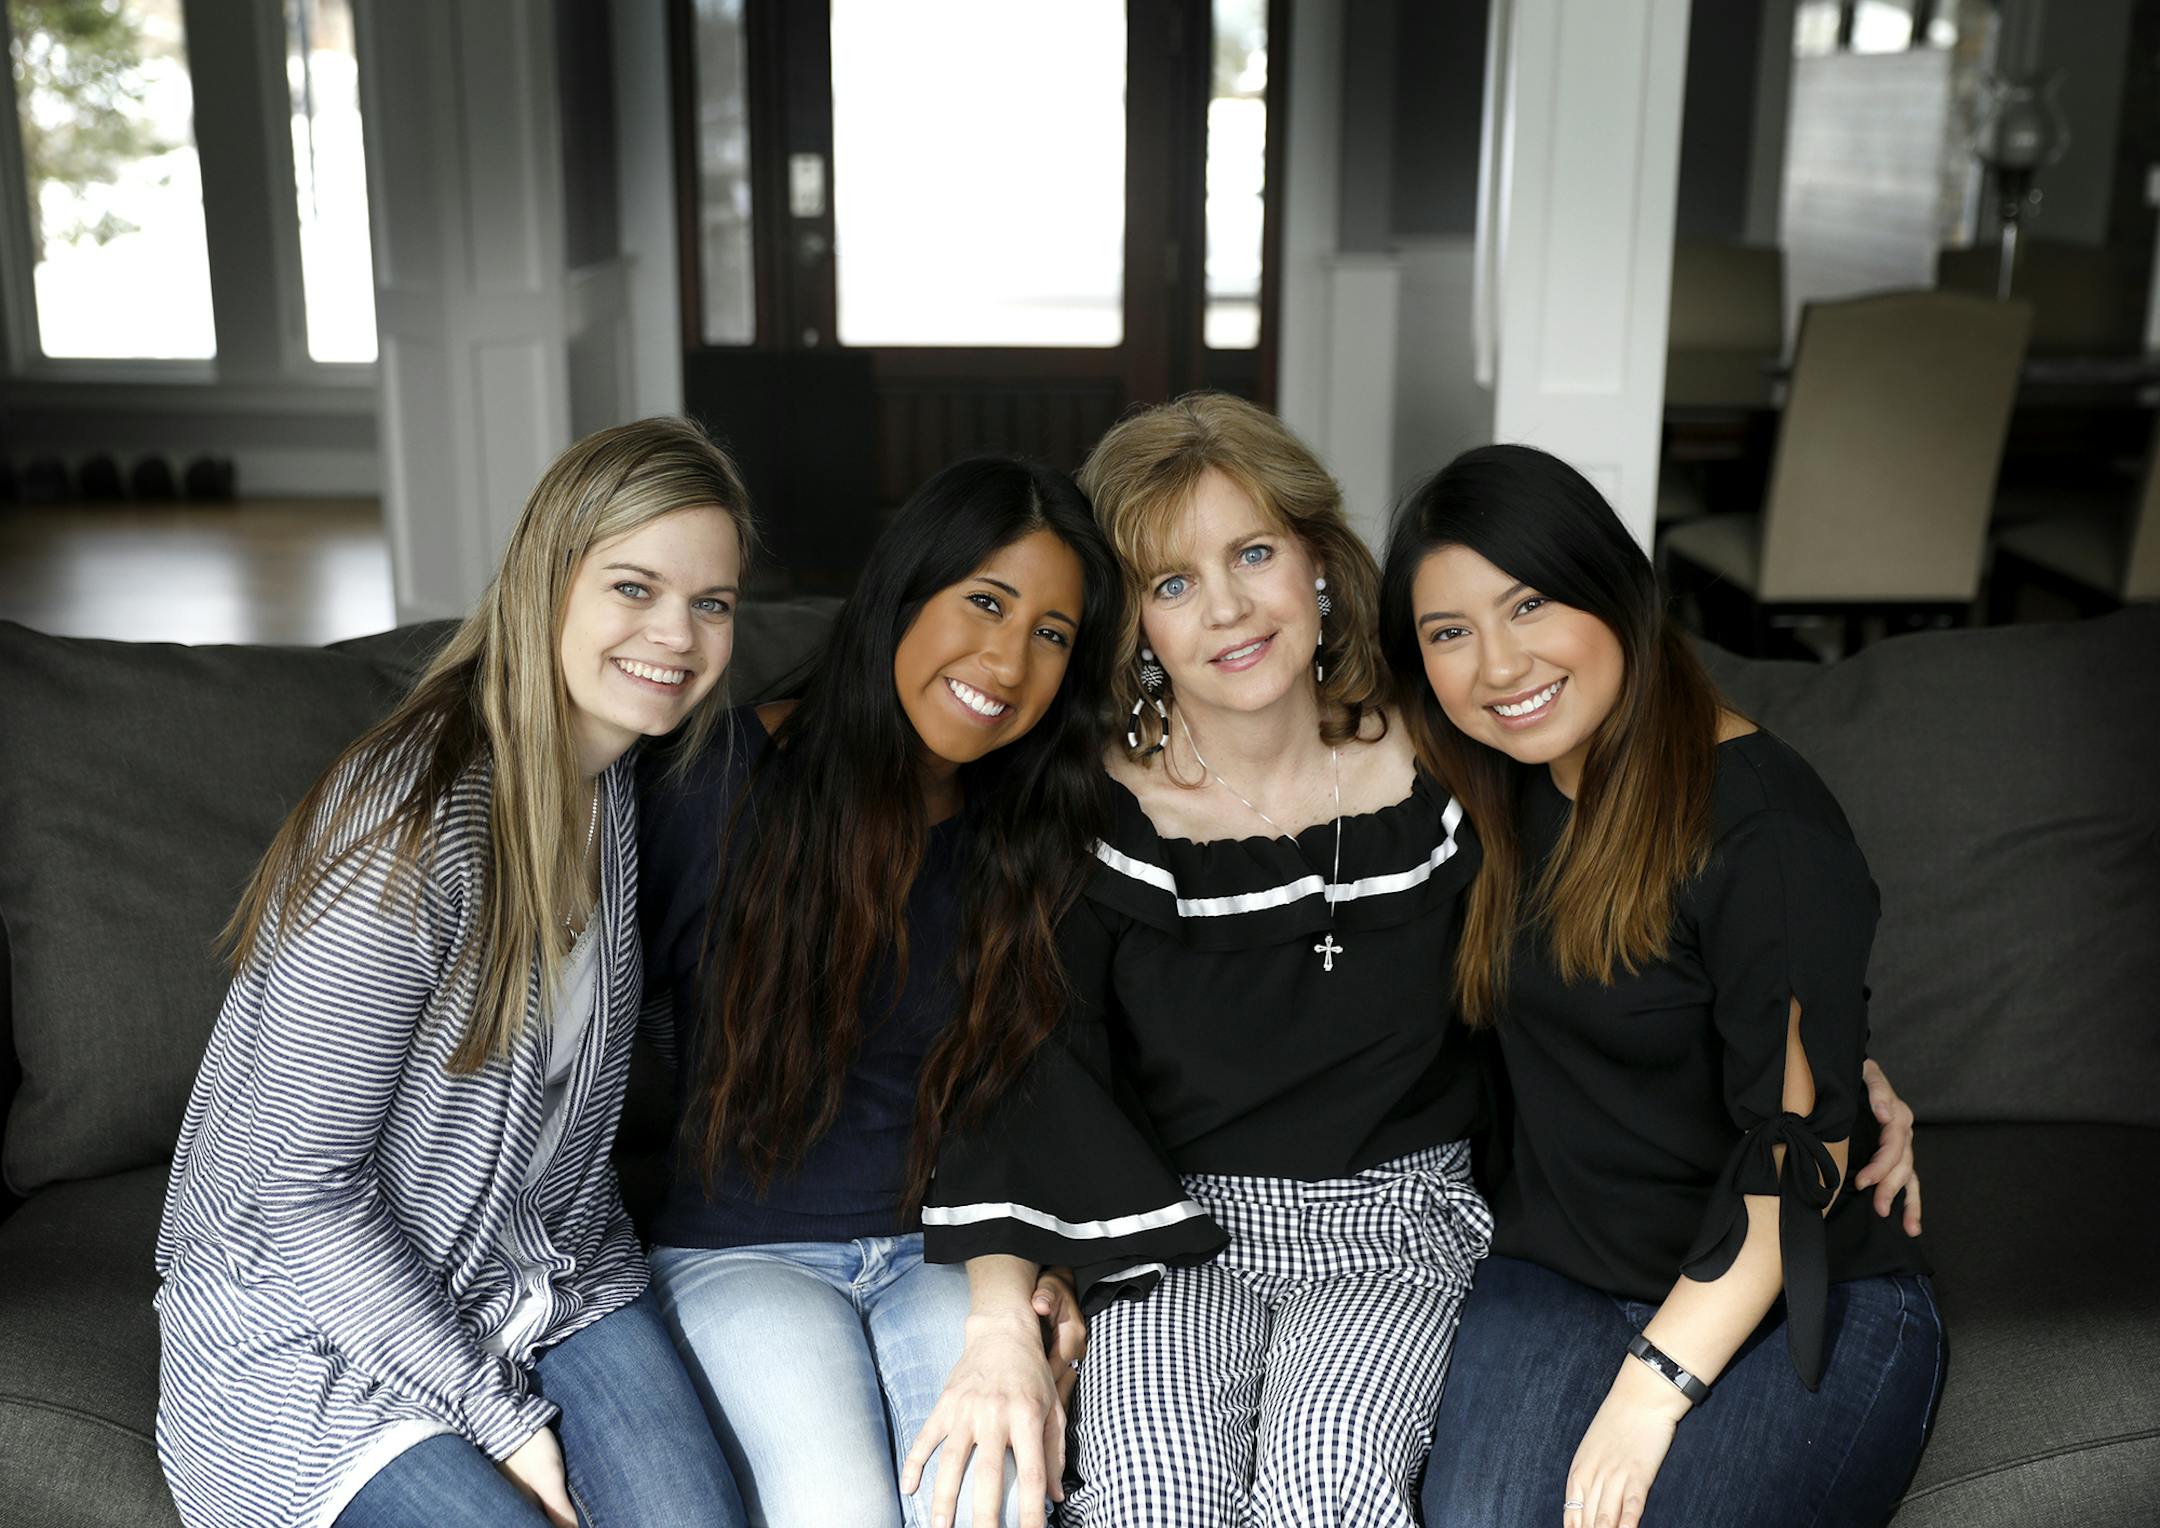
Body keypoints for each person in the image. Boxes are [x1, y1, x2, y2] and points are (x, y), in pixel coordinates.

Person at [154, 418, 756, 1528]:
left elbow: (570, 1138)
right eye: (635, 587)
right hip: (314, 1330)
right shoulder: (414, 823)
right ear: (547, 579)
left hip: (548, 1280)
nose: (676, 634)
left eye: (711, 603)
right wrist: (505, 1420)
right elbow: (296, 1200)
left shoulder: (610, 781)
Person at [909, 395, 1494, 1528]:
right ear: (1132, 629)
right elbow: (1024, 1052)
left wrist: (1803, 1042)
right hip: (1171, 1226)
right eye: (1172, 585)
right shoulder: (1092, 809)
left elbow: (1626, 883)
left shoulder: (1448, 757)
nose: (1228, 607)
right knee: (1150, 1501)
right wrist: (1001, 1310)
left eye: (1255, 552)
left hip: (1394, 1219)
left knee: (1329, 1488)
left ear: (1318, 559)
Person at [1385, 445, 1941, 1528]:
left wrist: (1652, 1386)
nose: (1498, 666)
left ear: (1618, 589)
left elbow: (1801, 1144)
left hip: (1792, 1290)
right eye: (1450, 632)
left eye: (1530, 603)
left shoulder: (1765, 820)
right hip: (1563, 1270)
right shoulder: (1484, 788)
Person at [636, 457, 1122, 1528]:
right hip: (743, 1248)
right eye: (985, 603)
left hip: (952, 1251)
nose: (1007, 658)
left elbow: (1052, 1084)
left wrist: (1054, 1265)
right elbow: (604, 1030)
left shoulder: (1042, 829)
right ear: (905, 592)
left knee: (991, 1503)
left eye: (1053, 634)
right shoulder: (717, 779)